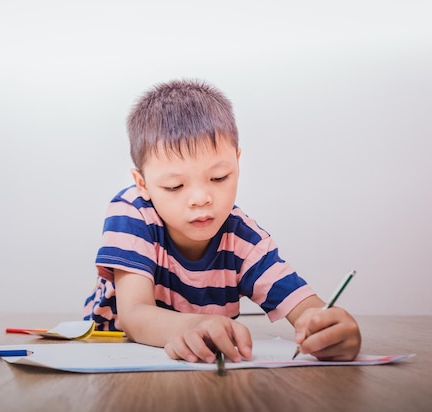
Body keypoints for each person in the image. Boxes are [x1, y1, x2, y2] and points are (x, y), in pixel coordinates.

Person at [83, 79, 361, 364]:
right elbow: (134, 315)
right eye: (175, 186)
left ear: (237, 164)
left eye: (218, 178)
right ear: (142, 184)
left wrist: (327, 326)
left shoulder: (245, 241)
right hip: (116, 359)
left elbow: (307, 308)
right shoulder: (132, 212)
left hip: (203, 371)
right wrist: (193, 327)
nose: (201, 198)